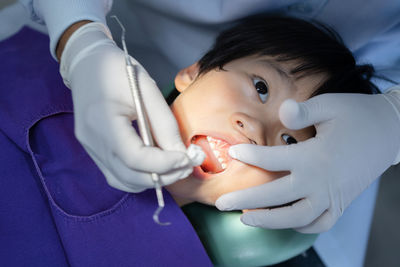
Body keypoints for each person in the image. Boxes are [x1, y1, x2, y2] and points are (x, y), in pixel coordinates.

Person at [5, 0, 400, 266]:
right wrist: (80, 38)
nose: (255, 129)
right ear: (192, 72)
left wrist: (391, 120)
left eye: (291, 141)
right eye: (261, 87)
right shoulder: (34, 89)